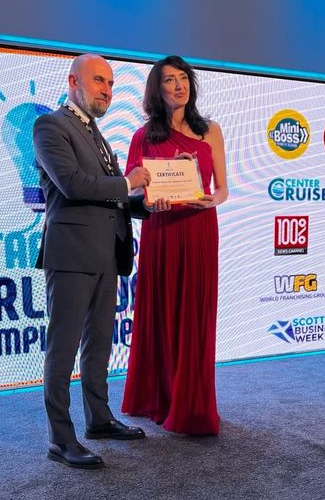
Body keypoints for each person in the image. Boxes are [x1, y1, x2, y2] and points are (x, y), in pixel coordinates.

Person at [33, 54, 151, 469]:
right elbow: (73, 184)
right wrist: (128, 182)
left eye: (111, 83)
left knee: (99, 344)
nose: (107, 90)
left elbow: (109, 198)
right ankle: (60, 440)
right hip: (70, 255)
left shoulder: (95, 132)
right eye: (99, 80)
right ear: (73, 82)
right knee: (62, 350)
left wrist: (145, 204)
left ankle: (99, 420)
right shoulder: (50, 126)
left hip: (105, 254)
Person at [121, 55, 229, 436]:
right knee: (162, 312)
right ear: (157, 89)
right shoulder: (142, 136)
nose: (179, 85)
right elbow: (132, 193)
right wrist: (152, 201)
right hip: (162, 232)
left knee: (195, 315)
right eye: (169, 80)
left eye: (183, 78)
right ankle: (161, 397)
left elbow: (222, 189)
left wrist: (209, 199)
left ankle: (192, 405)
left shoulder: (210, 131)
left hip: (199, 229)